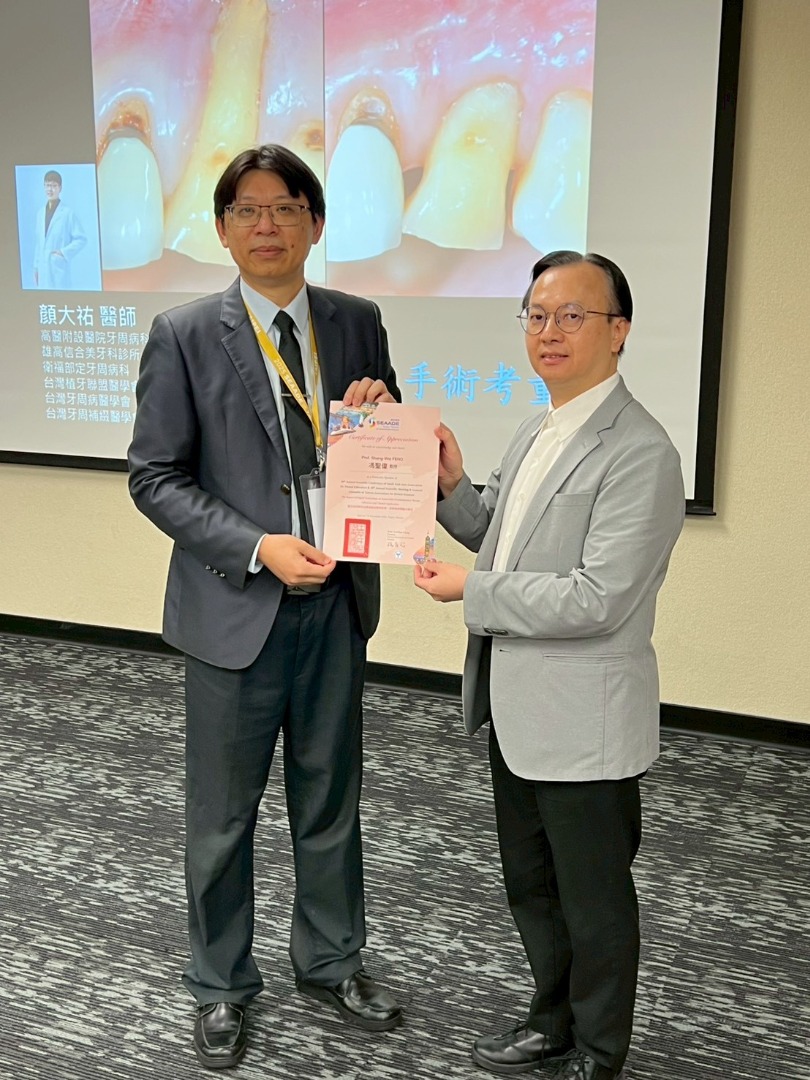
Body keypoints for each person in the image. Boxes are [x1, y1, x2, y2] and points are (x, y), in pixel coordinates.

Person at [128, 144, 402, 1070]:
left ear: (315, 223)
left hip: (336, 605)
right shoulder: (182, 334)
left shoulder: (356, 321)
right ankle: (220, 984)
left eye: (285, 208)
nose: (267, 226)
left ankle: (331, 962)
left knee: (331, 800)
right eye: (246, 211)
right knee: (223, 815)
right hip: (234, 608)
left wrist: (381, 411)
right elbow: (154, 476)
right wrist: (256, 547)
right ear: (222, 230)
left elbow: (379, 443)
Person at [414, 251, 684, 1080]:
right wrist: (454, 485)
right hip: (517, 709)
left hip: (583, 724)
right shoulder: (539, 426)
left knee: (593, 900)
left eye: (572, 315)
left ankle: (600, 1051)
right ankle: (552, 1020)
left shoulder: (641, 450)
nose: (549, 332)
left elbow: (597, 597)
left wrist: (471, 590)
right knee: (531, 885)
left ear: (619, 331)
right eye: (536, 315)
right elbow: (498, 530)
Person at [33, 170, 87, 288]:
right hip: (42, 269)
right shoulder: (40, 214)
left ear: (60, 188)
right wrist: (36, 267)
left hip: (58, 269)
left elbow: (81, 239)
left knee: (60, 296)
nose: (50, 189)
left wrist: (63, 252)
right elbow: (39, 243)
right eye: (47, 185)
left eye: (54, 186)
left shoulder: (67, 213)